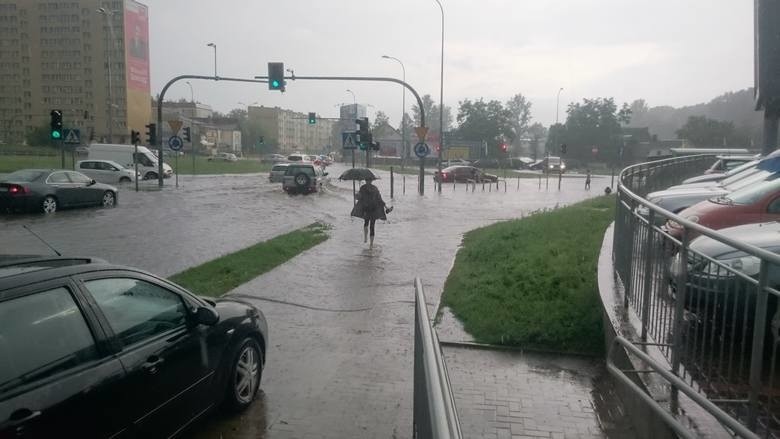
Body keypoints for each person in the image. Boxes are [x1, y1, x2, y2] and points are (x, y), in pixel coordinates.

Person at [351, 178, 390, 248]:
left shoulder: (369, 188)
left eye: (369, 180)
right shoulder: (366, 188)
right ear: (367, 181)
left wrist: (386, 207)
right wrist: (356, 195)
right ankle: (368, 240)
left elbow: (379, 199)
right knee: (368, 224)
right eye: (367, 180)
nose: (368, 181)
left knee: (370, 225)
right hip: (369, 209)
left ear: (370, 181)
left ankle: (370, 242)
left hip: (371, 209)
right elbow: (360, 197)